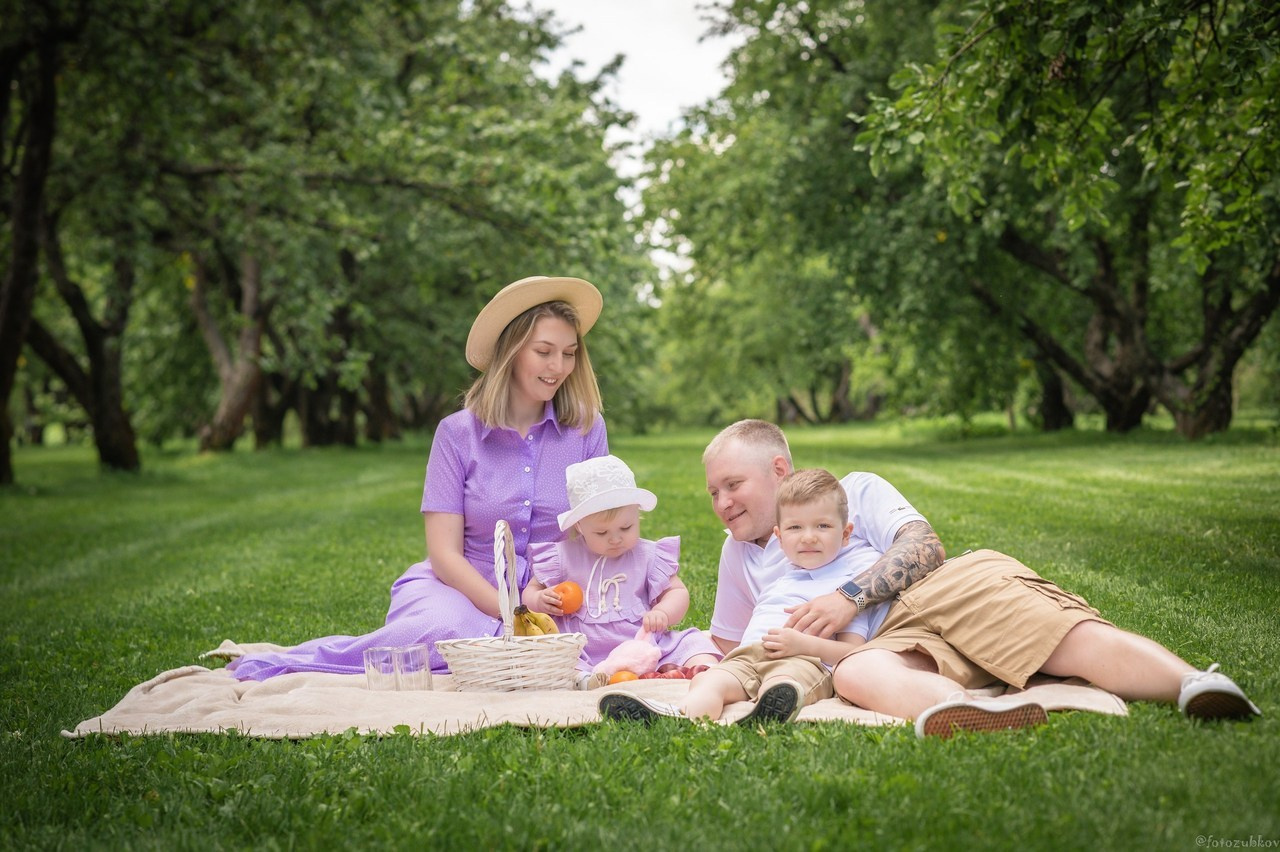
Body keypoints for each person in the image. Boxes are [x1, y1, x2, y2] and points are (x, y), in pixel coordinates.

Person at [701, 419, 1261, 736]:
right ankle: (973, 713)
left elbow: (923, 546)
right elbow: (733, 645)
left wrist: (849, 596)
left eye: (732, 485)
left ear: (778, 469)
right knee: (855, 675)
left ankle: (1192, 684)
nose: (722, 503)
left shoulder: (853, 490)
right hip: (881, 640)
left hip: (932, 591)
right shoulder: (737, 555)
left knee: (1046, 634)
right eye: (713, 494)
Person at [228, 275, 609, 679]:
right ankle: (291, 664)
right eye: (544, 351)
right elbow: (444, 555)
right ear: (512, 352)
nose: (558, 367)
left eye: (568, 354)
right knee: (448, 631)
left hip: (552, 596)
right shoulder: (456, 434)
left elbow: (600, 529)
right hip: (458, 591)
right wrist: (511, 609)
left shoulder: (586, 430)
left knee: (602, 640)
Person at [599, 468, 888, 725]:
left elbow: (852, 654)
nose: (808, 537)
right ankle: (681, 716)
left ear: (846, 533)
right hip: (747, 656)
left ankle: (766, 710)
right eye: (795, 527)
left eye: (822, 526)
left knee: (782, 683)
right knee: (710, 680)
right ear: (779, 535)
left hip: (804, 661)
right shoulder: (780, 581)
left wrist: (801, 643)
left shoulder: (848, 588)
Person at [525, 454, 720, 685]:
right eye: (602, 533)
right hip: (584, 650)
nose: (615, 539)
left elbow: (677, 592)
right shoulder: (562, 556)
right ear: (579, 525)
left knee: (692, 642)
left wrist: (664, 612)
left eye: (626, 527)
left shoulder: (647, 555)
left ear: (637, 514)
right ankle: (586, 680)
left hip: (642, 643)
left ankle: (706, 670)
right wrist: (539, 599)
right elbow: (529, 593)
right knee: (556, 659)